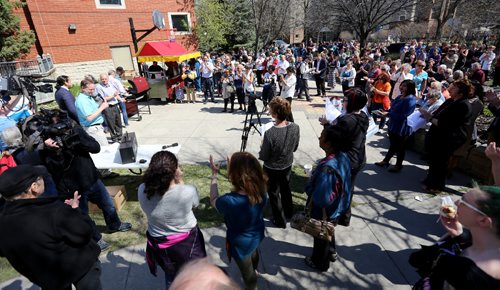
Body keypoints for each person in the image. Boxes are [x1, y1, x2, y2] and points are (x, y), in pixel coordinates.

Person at [0, 165, 102, 290]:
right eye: (40, 178)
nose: (44, 179)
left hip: (48, 279)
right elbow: (84, 234)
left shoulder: (3, 221)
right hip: (80, 267)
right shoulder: (54, 212)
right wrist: (75, 210)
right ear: (34, 187)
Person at [138, 151, 207, 286]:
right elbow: (195, 204)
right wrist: (180, 181)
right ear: (174, 171)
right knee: (196, 275)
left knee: (171, 275)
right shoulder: (187, 191)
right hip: (187, 243)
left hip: (159, 244)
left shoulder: (142, 189)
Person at [411, 186, 500, 289]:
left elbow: (417, 261)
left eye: (464, 202)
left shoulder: (463, 271)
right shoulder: (471, 242)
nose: (457, 202)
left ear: (483, 221)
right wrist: (458, 236)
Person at [209, 152, 268, 290]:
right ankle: (255, 270)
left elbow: (213, 200)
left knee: (248, 275)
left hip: (240, 244)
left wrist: (214, 175)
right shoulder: (262, 191)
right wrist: (233, 168)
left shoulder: (229, 201)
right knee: (254, 254)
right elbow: (245, 180)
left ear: (235, 176)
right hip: (257, 234)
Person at [304, 127, 352, 272]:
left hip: (324, 212)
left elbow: (321, 199)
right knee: (329, 231)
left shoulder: (327, 169)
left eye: (322, 136)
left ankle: (320, 262)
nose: (319, 138)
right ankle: (332, 251)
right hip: (338, 207)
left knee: (320, 236)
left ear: (329, 144)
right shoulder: (342, 156)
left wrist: (310, 183)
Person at [420, 79, 473, 193]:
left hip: (449, 138)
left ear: (461, 92)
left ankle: (436, 186)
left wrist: (428, 116)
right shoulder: (450, 101)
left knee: (440, 162)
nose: (450, 88)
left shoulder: (463, 105)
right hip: (438, 134)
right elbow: (437, 114)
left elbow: (445, 124)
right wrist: (429, 114)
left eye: (454, 87)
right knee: (434, 160)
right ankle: (430, 180)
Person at [258, 98, 300, 228]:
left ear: (275, 113)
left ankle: (280, 221)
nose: (269, 110)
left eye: (270, 108)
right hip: (287, 165)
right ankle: (289, 213)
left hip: (272, 168)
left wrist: (262, 146)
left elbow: (264, 156)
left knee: (274, 194)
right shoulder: (295, 127)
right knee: (286, 189)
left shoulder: (270, 133)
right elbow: (295, 147)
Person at [375, 80, 417, 172]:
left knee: (400, 148)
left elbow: (405, 116)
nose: (402, 87)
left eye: (405, 86)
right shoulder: (400, 96)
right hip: (393, 125)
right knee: (393, 145)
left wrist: (388, 114)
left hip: (402, 127)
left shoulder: (411, 99)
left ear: (410, 88)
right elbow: (392, 109)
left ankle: (398, 165)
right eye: (402, 85)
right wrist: (385, 112)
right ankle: (386, 161)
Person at [95, 73, 123, 143]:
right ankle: (114, 138)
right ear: (100, 80)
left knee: (118, 122)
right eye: (102, 79)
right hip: (108, 107)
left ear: (108, 78)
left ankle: (120, 136)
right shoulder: (99, 87)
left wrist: (121, 99)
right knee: (111, 123)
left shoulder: (110, 84)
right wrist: (113, 96)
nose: (104, 80)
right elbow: (103, 99)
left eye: (105, 79)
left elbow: (116, 94)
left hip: (115, 105)